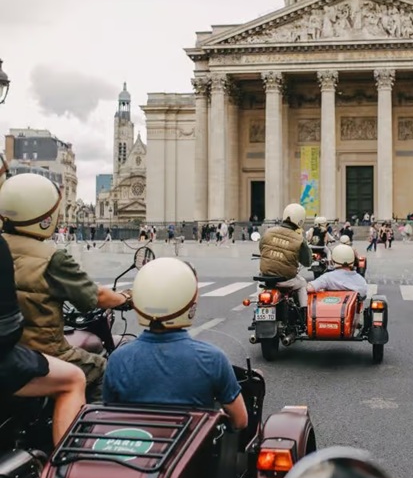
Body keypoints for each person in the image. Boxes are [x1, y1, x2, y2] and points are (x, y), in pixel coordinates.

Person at [0, 173, 131, 401]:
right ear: (44, 216)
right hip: (46, 351)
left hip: (12, 352)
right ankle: (87, 433)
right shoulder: (52, 258)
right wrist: (126, 298)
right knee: (102, 369)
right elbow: (95, 296)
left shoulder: (3, 247)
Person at [103, 258, 248, 430]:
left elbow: (110, 417)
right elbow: (240, 421)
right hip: (192, 453)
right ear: (189, 302)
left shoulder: (118, 359)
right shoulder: (213, 359)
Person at [0, 158, 86, 444]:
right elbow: (7, 329)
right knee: (76, 377)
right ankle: (66, 468)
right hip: (8, 358)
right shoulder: (51, 256)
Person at [259, 203, 312, 314]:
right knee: (302, 283)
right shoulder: (299, 239)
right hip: (285, 279)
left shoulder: (268, 232)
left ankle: (258, 312)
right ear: (301, 221)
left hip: (266, 276)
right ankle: (304, 312)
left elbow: (262, 248)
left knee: (260, 288)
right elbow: (307, 262)